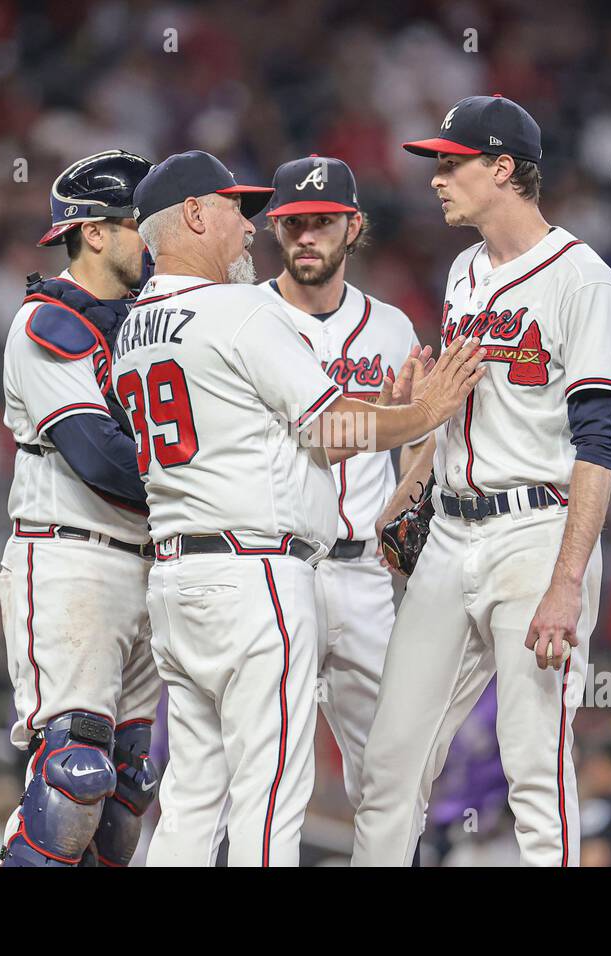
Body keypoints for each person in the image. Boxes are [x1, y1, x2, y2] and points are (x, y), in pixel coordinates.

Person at [111, 149, 483, 866]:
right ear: (193, 215)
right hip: (256, 574)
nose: (246, 228)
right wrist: (424, 412)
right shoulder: (241, 308)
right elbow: (330, 429)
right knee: (271, 794)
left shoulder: (134, 326)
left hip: (178, 576)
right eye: (232, 211)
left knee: (190, 798)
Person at [352, 95, 611, 867]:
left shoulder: (584, 280)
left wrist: (568, 580)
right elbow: (451, 413)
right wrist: (404, 498)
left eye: (452, 162)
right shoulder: (463, 273)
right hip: (450, 532)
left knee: (534, 769)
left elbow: (600, 441)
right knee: (389, 764)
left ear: (503, 168)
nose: (437, 178)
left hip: (538, 532)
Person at [0, 149, 162, 867]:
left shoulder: (158, 317)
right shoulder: (46, 320)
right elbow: (98, 457)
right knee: (75, 773)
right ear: (93, 232)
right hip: (73, 553)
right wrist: (204, 487)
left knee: (127, 783)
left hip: (148, 560)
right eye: (136, 224)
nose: (150, 240)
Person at [259, 154, 427, 814]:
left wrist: (406, 521)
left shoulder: (390, 328)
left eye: (322, 222)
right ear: (275, 228)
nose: (307, 237)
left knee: (392, 779)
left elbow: (420, 445)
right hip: (274, 568)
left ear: (353, 227)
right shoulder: (245, 319)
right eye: (294, 223)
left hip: (363, 576)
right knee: (261, 771)